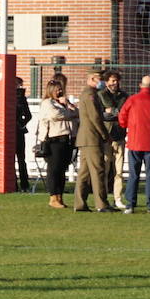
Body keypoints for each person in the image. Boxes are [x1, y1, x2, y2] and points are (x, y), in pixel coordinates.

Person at [117, 75, 150, 214]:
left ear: (141, 85)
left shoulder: (132, 100)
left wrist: (130, 126)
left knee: (134, 174)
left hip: (134, 142)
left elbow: (122, 118)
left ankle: (130, 204)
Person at [73, 65, 113, 212]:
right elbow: (95, 117)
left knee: (84, 173)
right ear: (92, 79)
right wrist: (105, 135)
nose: (102, 82)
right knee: (98, 171)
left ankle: (80, 204)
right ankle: (101, 204)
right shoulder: (90, 94)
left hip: (86, 138)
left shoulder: (90, 93)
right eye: (100, 79)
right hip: (92, 138)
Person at [34, 78, 77, 209]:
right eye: (58, 89)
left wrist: (68, 104)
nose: (60, 91)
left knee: (62, 170)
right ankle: (53, 197)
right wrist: (70, 113)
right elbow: (55, 115)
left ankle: (60, 196)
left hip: (66, 139)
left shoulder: (64, 103)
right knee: (54, 170)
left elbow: (78, 113)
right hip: (53, 140)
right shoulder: (48, 103)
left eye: (61, 89)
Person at [99, 70, 128, 204]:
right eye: (112, 81)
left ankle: (118, 198)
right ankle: (103, 197)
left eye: (116, 80)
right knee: (105, 168)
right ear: (106, 82)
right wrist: (111, 112)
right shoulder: (101, 95)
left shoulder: (124, 96)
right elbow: (102, 115)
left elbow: (124, 113)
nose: (115, 83)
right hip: (106, 136)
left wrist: (112, 112)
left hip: (120, 135)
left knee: (119, 170)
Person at [14, 78, 31, 192]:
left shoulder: (21, 98)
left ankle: (24, 184)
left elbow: (28, 115)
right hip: (13, 131)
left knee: (21, 158)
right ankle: (14, 183)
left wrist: (21, 124)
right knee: (15, 159)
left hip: (18, 131)